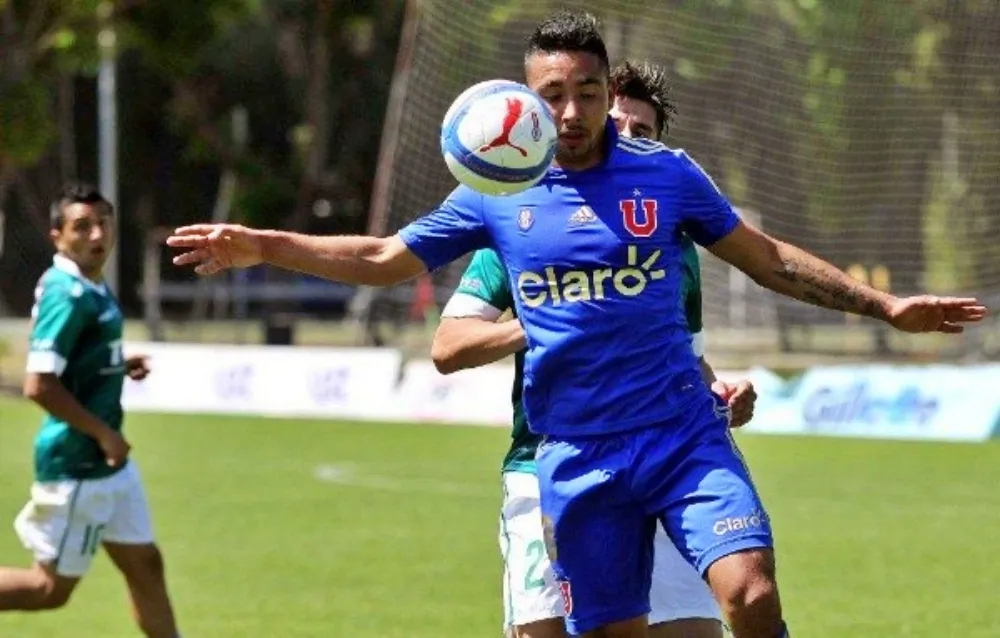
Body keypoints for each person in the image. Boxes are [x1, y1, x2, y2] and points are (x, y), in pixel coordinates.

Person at [166, 10, 986, 638]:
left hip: (681, 436)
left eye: (586, 92)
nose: (571, 109)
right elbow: (385, 257)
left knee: (752, 593)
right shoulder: (498, 192)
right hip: (576, 458)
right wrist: (263, 243)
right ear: (527, 99)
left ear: (605, 92)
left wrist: (886, 306)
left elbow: (765, 257)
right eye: (552, 94)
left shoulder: (665, 176)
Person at [431, 60, 754, 638]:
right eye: (618, 123)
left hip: (665, 455)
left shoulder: (674, 249)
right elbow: (448, 344)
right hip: (549, 464)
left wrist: (721, 393)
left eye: (644, 133)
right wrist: (546, 319)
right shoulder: (519, 217)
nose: (626, 138)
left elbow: (690, 355)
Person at [1, 182, 183, 638]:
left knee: (145, 564)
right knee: (48, 589)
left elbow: (72, 364)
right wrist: (104, 434)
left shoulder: (86, 285)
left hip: (109, 466)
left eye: (104, 222)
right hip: (81, 460)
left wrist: (114, 366)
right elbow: (38, 385)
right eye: (82, 226)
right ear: (57, 235)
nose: (97, 234)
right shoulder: (70, 294)